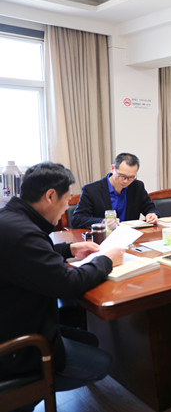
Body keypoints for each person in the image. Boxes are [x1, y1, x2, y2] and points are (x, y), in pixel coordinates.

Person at [0, 162, 124, 411]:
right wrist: (105, 261)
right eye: (67, 199)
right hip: (16, 345)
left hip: (15, 320)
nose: (67, 207)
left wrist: (69, 248)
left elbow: (27, 257)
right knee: (100, 364)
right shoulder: (25, 234)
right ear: (50, 196)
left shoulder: (11, 219)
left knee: (90, 340)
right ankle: (25, 396)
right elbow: (68, 284)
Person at [71, 153, 160, 229]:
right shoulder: (91, 190)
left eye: (131, 177)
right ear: (113, 168)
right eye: (122, 176)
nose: (125, 181)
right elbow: (77, 219)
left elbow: (149, 207)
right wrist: (102, 222)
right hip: (104, 237)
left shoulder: (137, 186)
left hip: (130, 235)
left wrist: (152, 214)